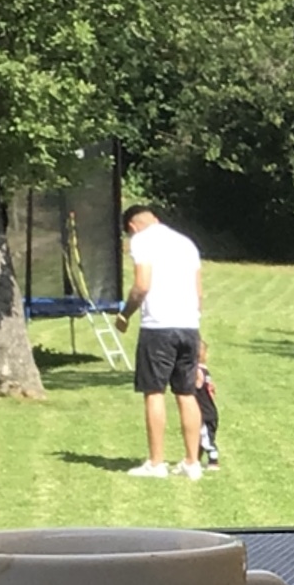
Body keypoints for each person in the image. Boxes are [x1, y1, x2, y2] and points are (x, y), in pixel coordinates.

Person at [121, 202, 205, 478]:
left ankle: (156, 463)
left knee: (154, 391)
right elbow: (198, 294)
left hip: (158, 327)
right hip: (188, 326)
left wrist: (125, 314)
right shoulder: (186, 243)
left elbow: (142, 285)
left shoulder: (142, 241)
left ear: (132, 227)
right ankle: (192, 462)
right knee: (186, 393)